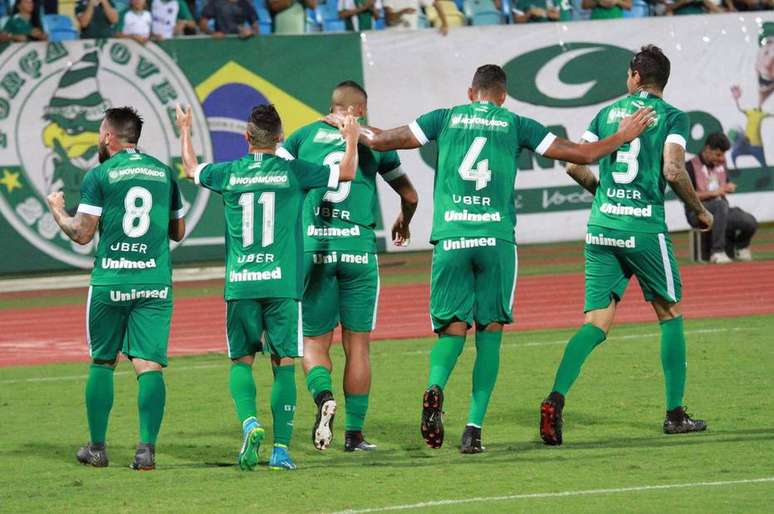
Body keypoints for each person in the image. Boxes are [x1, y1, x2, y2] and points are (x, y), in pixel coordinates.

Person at [327, 64, 653, 453]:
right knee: (490, 335)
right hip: (496, 241)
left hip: (451, 239)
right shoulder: (517, 123)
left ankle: (435, 387)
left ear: (470, 92)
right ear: (502, 96)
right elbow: (581, 153)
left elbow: (380, 140)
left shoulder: (444, 118)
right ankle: (473, 430)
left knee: (452, 330)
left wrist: (346, 122)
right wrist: (623, 134)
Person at [539, 45, 714, 447]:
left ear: (635, 76)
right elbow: (672, 168)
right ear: (660, 80)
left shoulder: (605, 114)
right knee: (670, 314)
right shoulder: (671, 116)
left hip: (601, 227)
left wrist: (606, 195)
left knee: (596, 324)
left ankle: (555, 398)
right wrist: (700, 211)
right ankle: (674, 414)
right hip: (643, 228)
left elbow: (572, 164)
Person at [176, 103, 360, 470]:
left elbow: (191, 169)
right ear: (280, 139)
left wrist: (185, 129)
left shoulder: (229, 173)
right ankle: (280, 450)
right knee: (284, 364)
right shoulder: (293, 170)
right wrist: (351, 138)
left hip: (241, 284)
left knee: (241, 362)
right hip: (282, 286)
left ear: (246, 137)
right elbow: (347, 172)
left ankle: (250, 423)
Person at [278, 81, 418, 452]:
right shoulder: (374, 140)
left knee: (313, 342)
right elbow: (410, 194)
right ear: (358, 110)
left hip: (314, 250)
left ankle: (323, 395)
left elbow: (279, 183)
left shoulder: (302, 137)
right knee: (358, 347)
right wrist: (404, 220)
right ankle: (355, 436)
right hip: (358, 249)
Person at [46, 107, 186, 470]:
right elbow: (178, 232)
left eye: (99, 131)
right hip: (154, 281)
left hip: (111, 280)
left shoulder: (100, 175)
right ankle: (146, 451)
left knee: (103, 361)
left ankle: (96, 449)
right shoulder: (162, 172)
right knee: (149, 364)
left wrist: (58, 211)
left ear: (109, 136)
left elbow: (82, 233)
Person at [686, 133, 758, 263]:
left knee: (750, 221)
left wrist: (727, 188)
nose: (721, 158)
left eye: (723, 155)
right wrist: (714, 193)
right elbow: (686, 196)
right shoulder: (690, 166)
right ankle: (717, 252)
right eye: (718, 154)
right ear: (707, 150)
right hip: (697, 213)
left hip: (721, 211)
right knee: (720, 206)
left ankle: (740, 247)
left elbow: (722, 188)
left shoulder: (721, 165)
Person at [730, 85, 771, 168]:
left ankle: (767, 173)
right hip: (747, 144)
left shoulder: (761, 114)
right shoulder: (750, 112)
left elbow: (770, 114)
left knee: (764, 165)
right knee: (733, 154)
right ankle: (736, 170)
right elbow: (740, 109)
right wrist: (736, 99)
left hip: (757, 145)